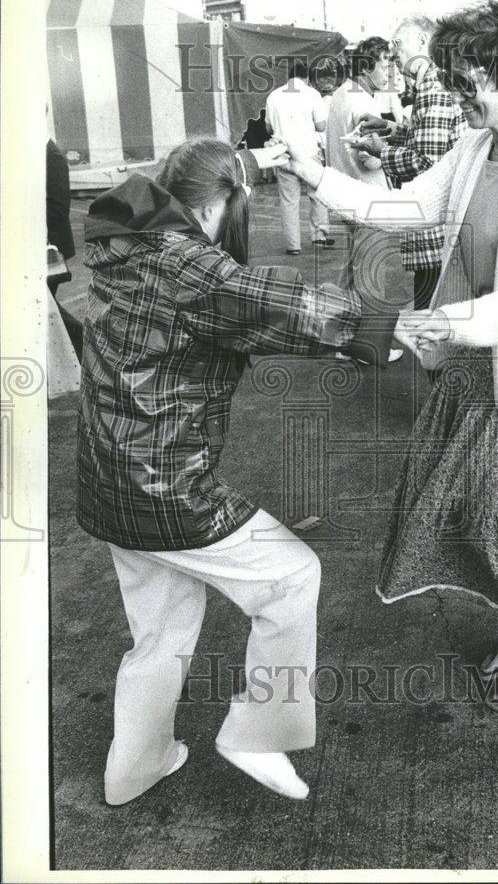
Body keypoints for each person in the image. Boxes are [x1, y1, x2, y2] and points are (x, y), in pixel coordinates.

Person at [283, 0, 498, 716]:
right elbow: (402, 207)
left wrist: (439, 322)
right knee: (480, 515)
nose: (457, 95)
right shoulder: (476, 147)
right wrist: (313, 176)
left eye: (468, 79)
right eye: (452, 79)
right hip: (469, 375)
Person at [76, 136, 399, 805]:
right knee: (291, 578)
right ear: (221, 199)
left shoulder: (125, 239)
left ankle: (132, 768)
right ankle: (258, 733)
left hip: (107, 478)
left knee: (159, 632)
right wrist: (379, 303)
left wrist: (260, 164)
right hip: (165, 488)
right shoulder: (187, 264)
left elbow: (216, 292)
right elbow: (286, 306)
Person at [356, 14, 466, 311]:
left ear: (421, 41)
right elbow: (425, 136)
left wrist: (381, 151)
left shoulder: (433, 87)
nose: (394, 51)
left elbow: (427, 159)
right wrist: (387, 127)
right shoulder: (431, 82)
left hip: (435, 227)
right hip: (435, 225)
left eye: (398, 42)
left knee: (428, 309)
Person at [325, 35, 404, 362]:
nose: (391, 70)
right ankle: (368, 347)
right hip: (368, 197)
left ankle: (337, 337)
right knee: (370, 274)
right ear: (366, 66)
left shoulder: (342, 94)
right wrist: (390, 151)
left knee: (352, 272)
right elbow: (369, 158)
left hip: (344, 192)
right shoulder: (364, 103)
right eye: (386, 62)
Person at [265, 59, 333, 254]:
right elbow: (321, 126)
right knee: (317, 194)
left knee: (289, 200)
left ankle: (293, 245)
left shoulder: (273, 95)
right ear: (307, 79)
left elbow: (268, 128)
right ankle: (319, 237)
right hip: (309, 152)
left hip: (283, 152)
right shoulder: (312, 94)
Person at [46, 136, 83, 358]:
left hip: (49, 251)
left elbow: (58, 210)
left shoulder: (51, 155)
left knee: (44, 309)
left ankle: (90, 349)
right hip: (35, 249)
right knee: (45, 310)